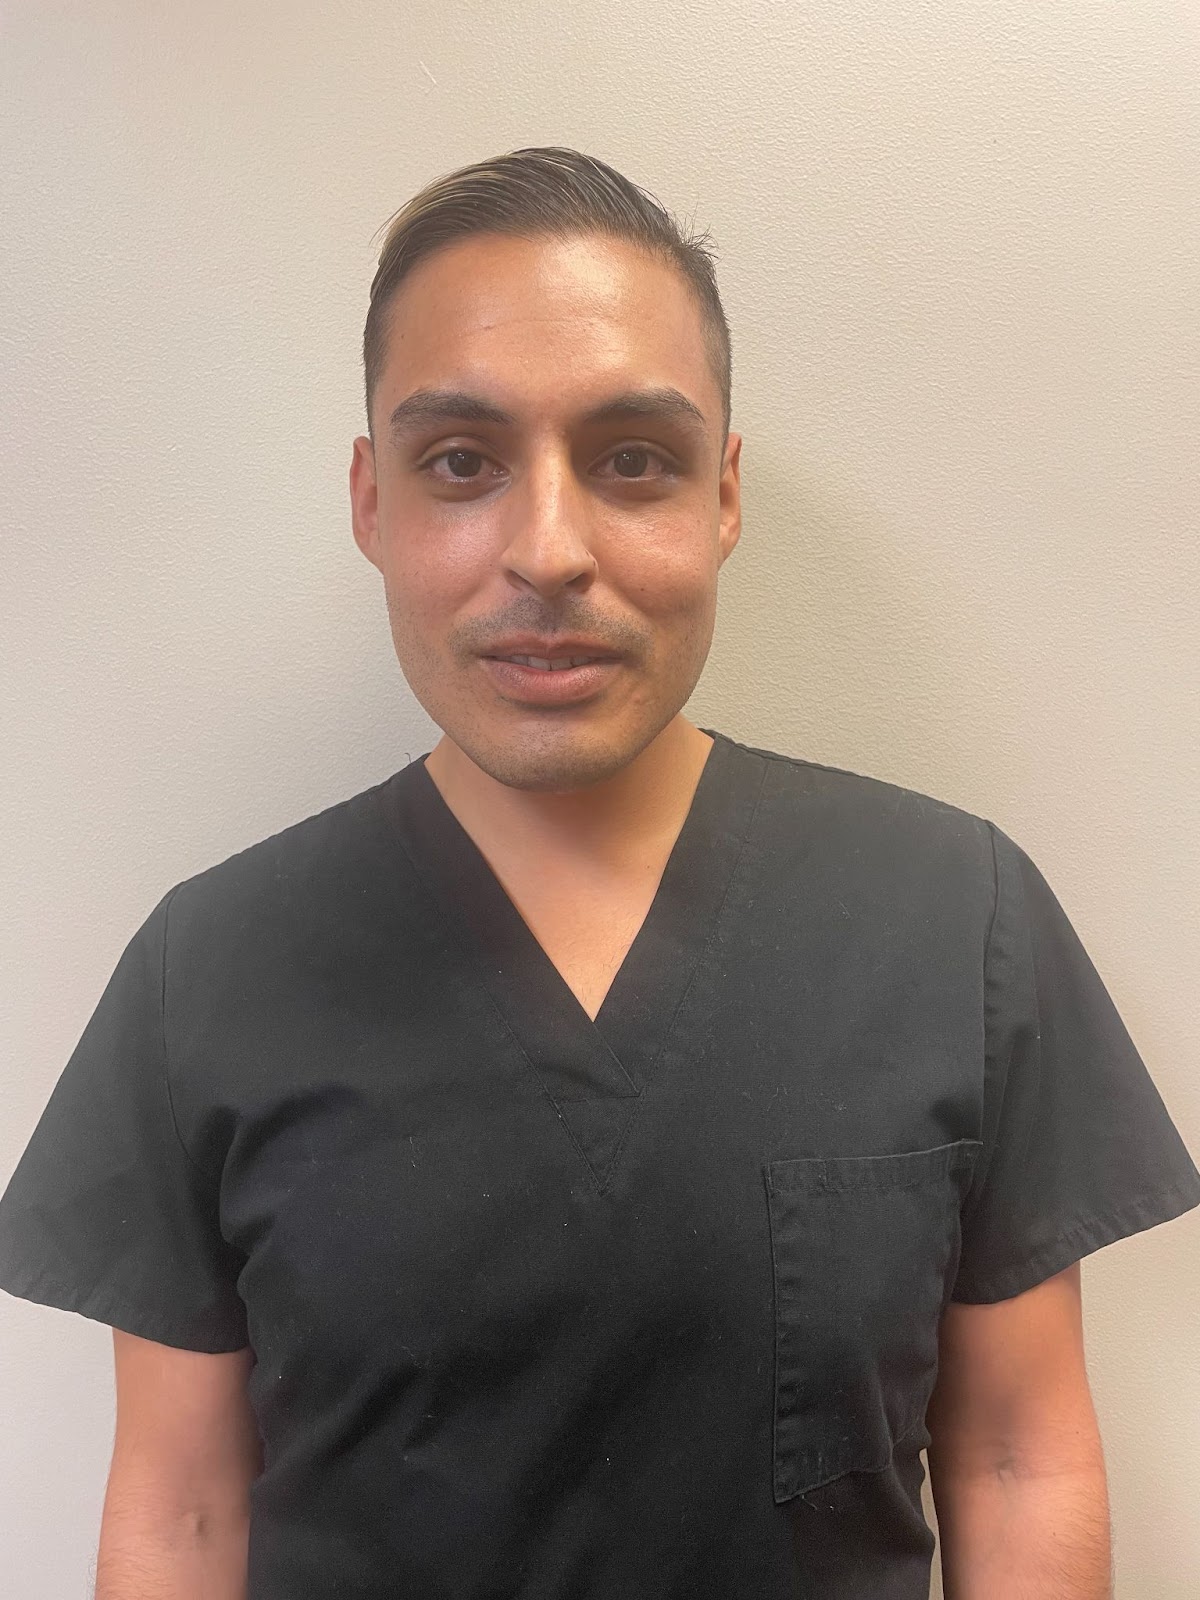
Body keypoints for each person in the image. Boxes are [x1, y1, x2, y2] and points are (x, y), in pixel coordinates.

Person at [1, 145, 1197, 1600]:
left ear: (724, 497)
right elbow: (183, 1511)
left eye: (633, 459)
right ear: (371, 502)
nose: (549, 551)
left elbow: (1016, 1455)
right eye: (462, 462)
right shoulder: (210, 969)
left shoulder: (956, 917)